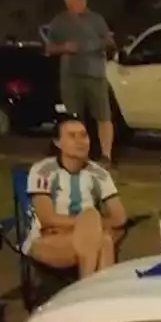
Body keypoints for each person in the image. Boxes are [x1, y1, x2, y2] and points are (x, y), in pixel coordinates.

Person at [25, 115, 127, 279]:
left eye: (83, 135)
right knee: (103, 239)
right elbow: (47, 218)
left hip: (86, 237)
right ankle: (95, 295)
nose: (80, 141)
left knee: (101, 239)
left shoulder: (99, 174)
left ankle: (86, 291)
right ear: (58, 143)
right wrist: (87, 224)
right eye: (72, 136)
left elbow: (119, 217)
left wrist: (88, 226)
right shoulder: (43, 170)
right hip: (49, 239)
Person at [45, 0, 117, 164]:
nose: (81, 3)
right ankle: (76, 154)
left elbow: (109, 41)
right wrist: (64, 47)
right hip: (71, 76)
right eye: (77, 0)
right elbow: (49, 48)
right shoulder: (59, 22)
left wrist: (105, 43)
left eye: (83, 0)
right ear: (67, 1)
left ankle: (106, 156)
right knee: (73, 117)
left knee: (103, 116)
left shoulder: (96, 19)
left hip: (95, 74)